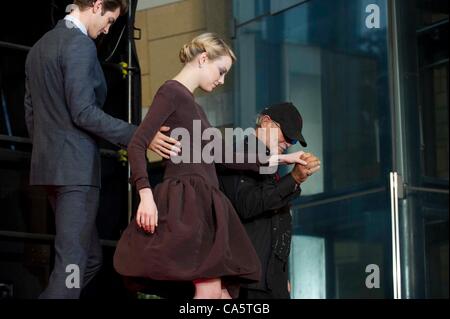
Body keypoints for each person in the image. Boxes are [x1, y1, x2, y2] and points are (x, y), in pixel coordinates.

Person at [113, 33, 307, 299]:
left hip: (202, 200)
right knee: (210, 289)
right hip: (188, 200)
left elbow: (225, 155)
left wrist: (284, 159)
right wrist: (145, 194)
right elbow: (137, 144)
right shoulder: (171, 92)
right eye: (221, 71)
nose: (222, 80)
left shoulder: (195, 109)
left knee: (221, 294)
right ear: (203, 59)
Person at [24, 0, 174, 299]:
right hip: (76, 173)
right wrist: (139, 135)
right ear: (96, 5)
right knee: (72, 267)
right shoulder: (79, 45)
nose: (107, 29)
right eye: (109, 20)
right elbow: (84, 112)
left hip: (51, 168)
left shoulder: (38, 48)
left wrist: (50, 152)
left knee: (88, 260)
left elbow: (31, 112)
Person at [218, 102, 321, 299]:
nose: (290, 143)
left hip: (268, 281)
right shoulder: (239, 153)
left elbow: (276, 224)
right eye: (287, 134)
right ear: (266, 122)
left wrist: (280, 275)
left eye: (294, 140)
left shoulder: (270, 164)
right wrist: (293, 179)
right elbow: (246, 205)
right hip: (246, 282)